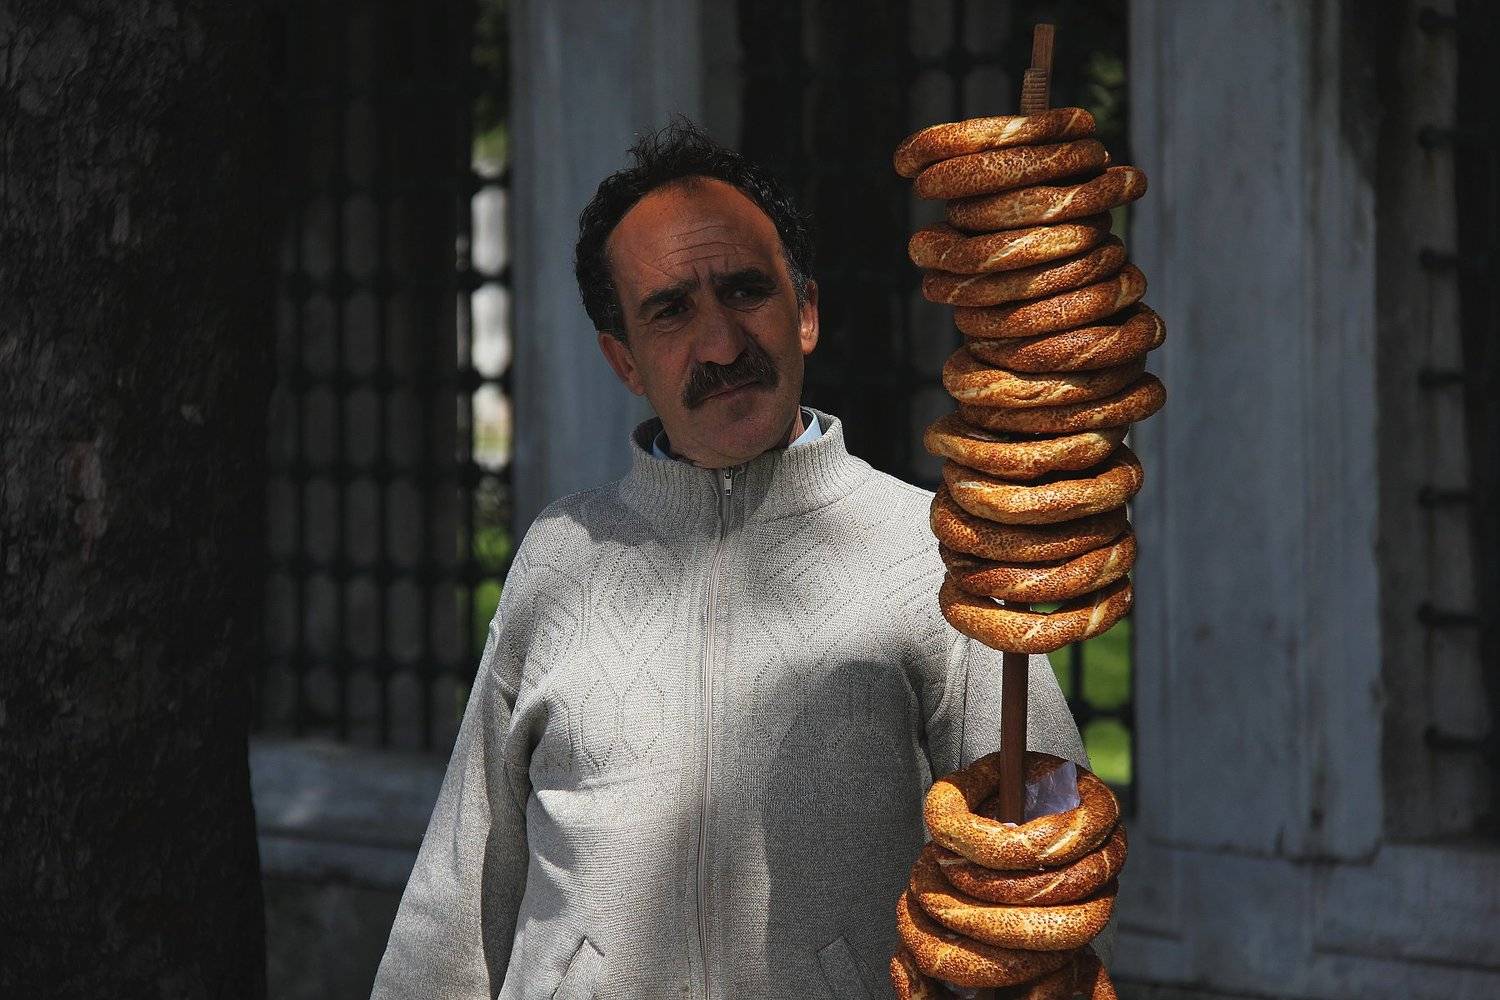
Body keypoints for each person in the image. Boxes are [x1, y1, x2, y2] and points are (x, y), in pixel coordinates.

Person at [371, 119, 1088, 1000]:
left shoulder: (937, 551)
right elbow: (462, 887)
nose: (720, 345)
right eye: (670, 310)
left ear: (806, 312)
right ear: (625, 360)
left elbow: (1051, 845)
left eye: (746, 291)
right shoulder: (560, 558)